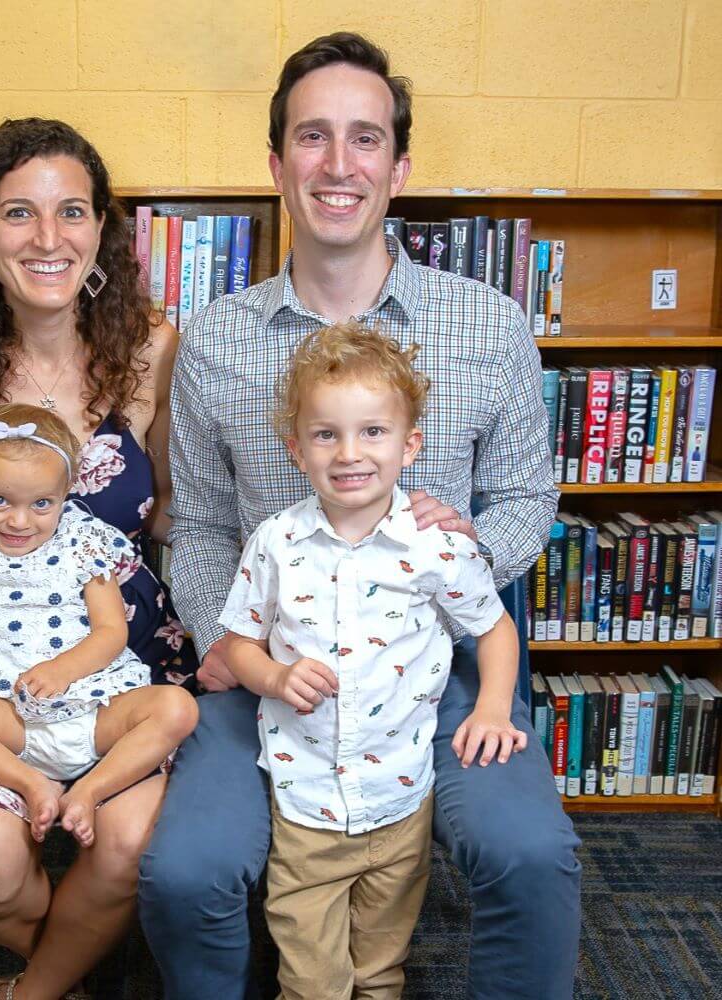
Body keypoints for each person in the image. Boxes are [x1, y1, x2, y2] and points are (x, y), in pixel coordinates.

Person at [139, 31, 581, 1000]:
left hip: (439, 660)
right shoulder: (215, 340)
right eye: (312, 137)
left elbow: (523, 496)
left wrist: (461, 552)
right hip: (270, 666)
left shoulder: (486, 323)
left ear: (398, 165)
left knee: (532, 856)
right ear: (275, 163)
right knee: (182, 873)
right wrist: (229, 642)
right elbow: (203, 524)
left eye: (364, 139)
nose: (338, 165)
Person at [0, 118, 197, 1000]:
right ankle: (81, 963)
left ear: (102, 229)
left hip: (120, 669)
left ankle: (38, 989)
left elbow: (170, 512)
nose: (49, 238)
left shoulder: (150, 349)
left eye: (73, 212)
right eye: (19, 213)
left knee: (133, 848)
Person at [220, 321, 526, 999]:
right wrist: (273, 675)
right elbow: (237, 643)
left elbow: (495, 628)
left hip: (400, 797)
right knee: (311, 978)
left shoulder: (436, 545)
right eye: (326, 434)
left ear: (409, 444)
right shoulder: (277, 541)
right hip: (307, 804)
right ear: (298, 450)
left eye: (373, 432)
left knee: (382, 970)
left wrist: (494, 707)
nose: (349, 452)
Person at [0, 402, 197, 847]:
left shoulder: (84, 541)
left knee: (178, 708)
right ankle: (29, 783)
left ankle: (88, 793)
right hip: (7, 713)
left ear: (66, 492)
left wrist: (63, 671)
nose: (19, 521)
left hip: (93, 708)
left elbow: (111, 632)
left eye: (41, 503)